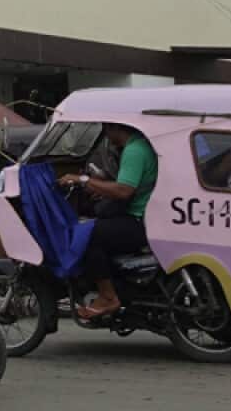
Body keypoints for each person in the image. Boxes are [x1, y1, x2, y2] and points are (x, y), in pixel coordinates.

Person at [58, 123, 158, 319]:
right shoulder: (139, 146)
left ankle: (107, 297)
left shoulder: (134, 150)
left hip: (138, 221)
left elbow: (124, 190)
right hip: (140, 216)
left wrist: (84, 181)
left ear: (115, 129)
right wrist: (100, 184)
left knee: (86, 236)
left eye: (106, 130)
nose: (105, 135)